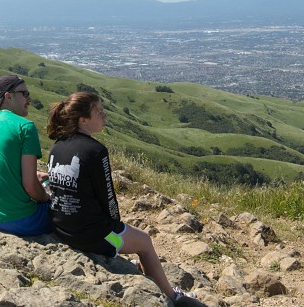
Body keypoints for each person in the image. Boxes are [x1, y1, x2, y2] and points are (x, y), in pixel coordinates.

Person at [45, 91, 194, 305]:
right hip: (90, 235)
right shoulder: (96, 151)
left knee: (128, 238)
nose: (104, 116)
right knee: (144, 241)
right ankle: (173, 296)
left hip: (61, 227)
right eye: (99, 112)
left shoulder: (57, 146)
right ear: (83, 119)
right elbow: (108, 199)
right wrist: (116, 228)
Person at [0, 75, 52, 236]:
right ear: (8, 96)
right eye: (25, 94)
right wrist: (47, 198)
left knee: (43, 181)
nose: (29, 99)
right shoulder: (25, 127)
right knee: (72, 210)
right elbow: (30, 186)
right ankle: (115, 242)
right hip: (20, 220)